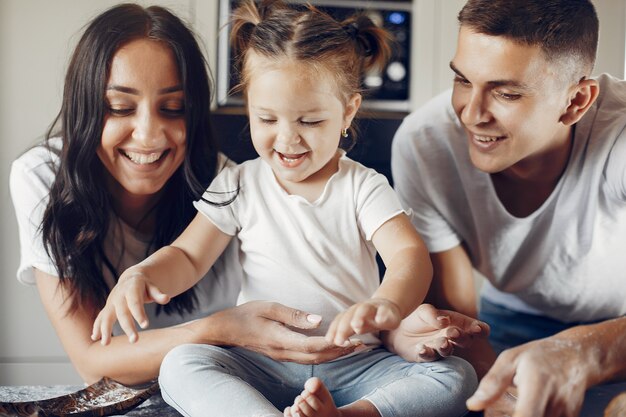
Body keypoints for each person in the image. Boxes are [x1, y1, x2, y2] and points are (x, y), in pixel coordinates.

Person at [92, 1, 478, 416]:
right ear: (250, 109)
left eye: (309, 121)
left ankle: (348, 414)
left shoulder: (363, 186)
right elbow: (187, 256)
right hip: (260, 362)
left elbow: (408, 255)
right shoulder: (239, 183)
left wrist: (387, 303)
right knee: (180, 364)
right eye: (267, 119)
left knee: (456, 377)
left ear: (347, 111)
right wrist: (142, 274)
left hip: (353, 362)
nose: (287, 140)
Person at [9, 2, 383, 387]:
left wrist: (392, 326)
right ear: (84, 107)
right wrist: (220, 329)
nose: (149, 135)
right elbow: (93, 364)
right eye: (120, 108)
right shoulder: (43, 177)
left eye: (173, 108)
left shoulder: (226, 181)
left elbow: (333, 280)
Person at [389, 0, 626, 416]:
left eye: (506, 93)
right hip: (505, 317)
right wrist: (486, 383)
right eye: (462, 80)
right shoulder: (424, 143)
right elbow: (460, 315)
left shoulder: (620, 137)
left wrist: (587, 352)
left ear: (575, 102)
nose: (472, 114)